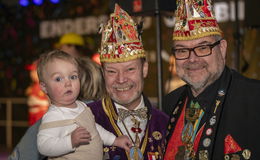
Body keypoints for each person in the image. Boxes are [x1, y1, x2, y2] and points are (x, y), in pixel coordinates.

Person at [163, 0, 260, 159]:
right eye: (182, 50)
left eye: (203, 48)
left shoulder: (255, 99)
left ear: (222, 49)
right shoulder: (168, 106)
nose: (192, 59)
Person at [7, 50, 126, 160]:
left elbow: (23, 154)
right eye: (59, 79)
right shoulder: (56, 115)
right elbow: (43, 145)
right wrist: (69, 142)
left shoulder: (82, 109)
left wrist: (114, 140)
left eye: (73, 77)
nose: (68, 83)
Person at [87, 4, 169, 160]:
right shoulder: (84, 118)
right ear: (103, 73)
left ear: (144, 69)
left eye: (130, 69)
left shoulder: (166, 124)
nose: (121, 79)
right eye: (112, 71)